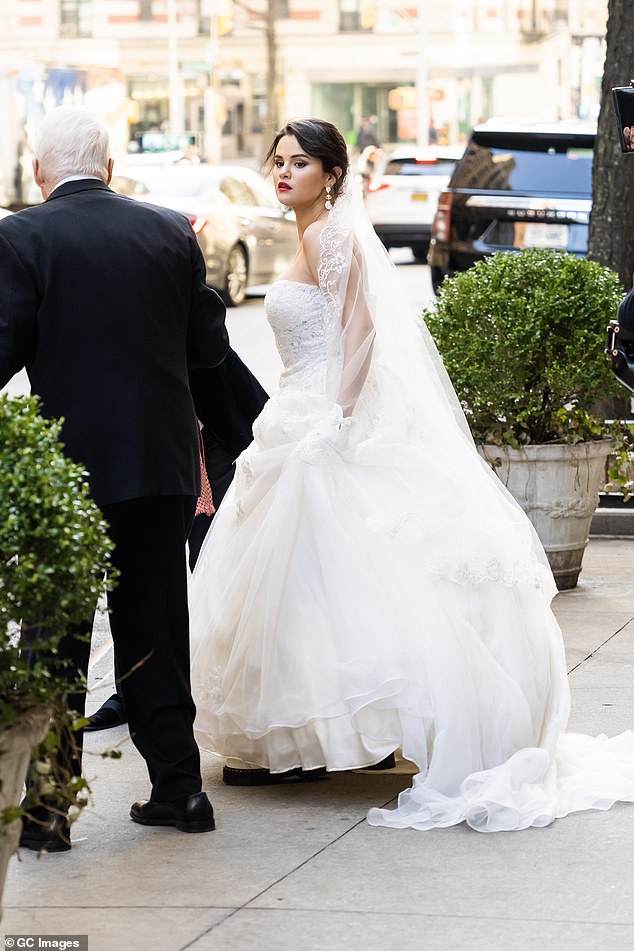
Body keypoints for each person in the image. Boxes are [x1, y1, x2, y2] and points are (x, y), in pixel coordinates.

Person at [188, 118, 634, 832]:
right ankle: (312, 736)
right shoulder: (316, 230)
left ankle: (319, 734)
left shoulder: (327, 234)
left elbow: (359, 332)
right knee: (311, 584)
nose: (282, 173)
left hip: (319, 415)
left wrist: (333, 418)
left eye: (298, 163)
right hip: (299, 407)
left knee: (329, 578)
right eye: (277, 161)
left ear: (331, 175)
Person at [0, 106, 260, 849]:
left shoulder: (20, 236)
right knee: (155, 627)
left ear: (40, 168)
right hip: (161, 462)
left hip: (70, 472)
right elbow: (206, 345)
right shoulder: (169, 230)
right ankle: (179, 790)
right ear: (109, 166)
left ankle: (48, 813)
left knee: (53, 640)